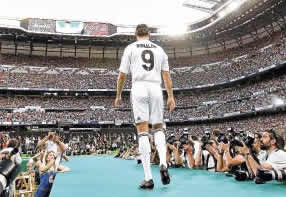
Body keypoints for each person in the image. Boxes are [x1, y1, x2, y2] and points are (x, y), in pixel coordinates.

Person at [114, 24, 176, 189]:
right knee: (158, 128)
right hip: (156, 87)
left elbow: (122, 75)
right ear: (149, 34)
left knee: (142, 131)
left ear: (136, 34)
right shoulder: (160, 49)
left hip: (139, 87)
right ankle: (163, 163)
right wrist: (170, 96)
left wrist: (118, 95)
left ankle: (148, 177)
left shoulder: (130, 48)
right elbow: (167, 75)